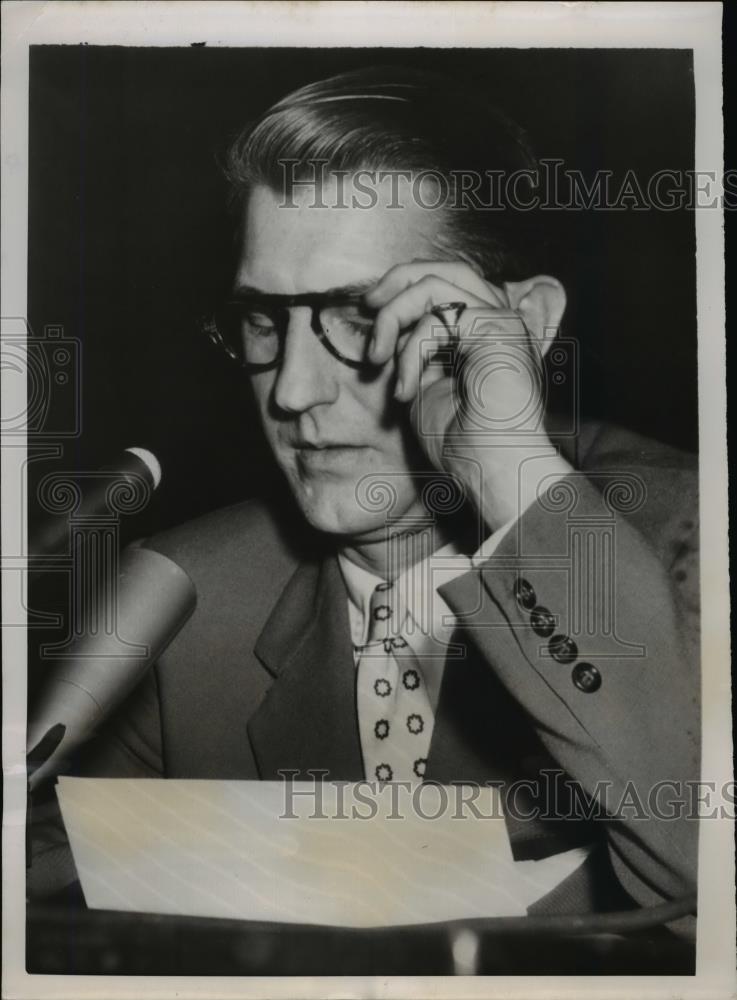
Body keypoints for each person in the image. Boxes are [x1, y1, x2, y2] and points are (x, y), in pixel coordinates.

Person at [29, 67, 700, 942]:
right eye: (265, 322)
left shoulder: (687, 546)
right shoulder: (187, 606)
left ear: (521, 326)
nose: (294, 392)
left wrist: (504, 466)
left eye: (358, 314)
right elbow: (55, 899)